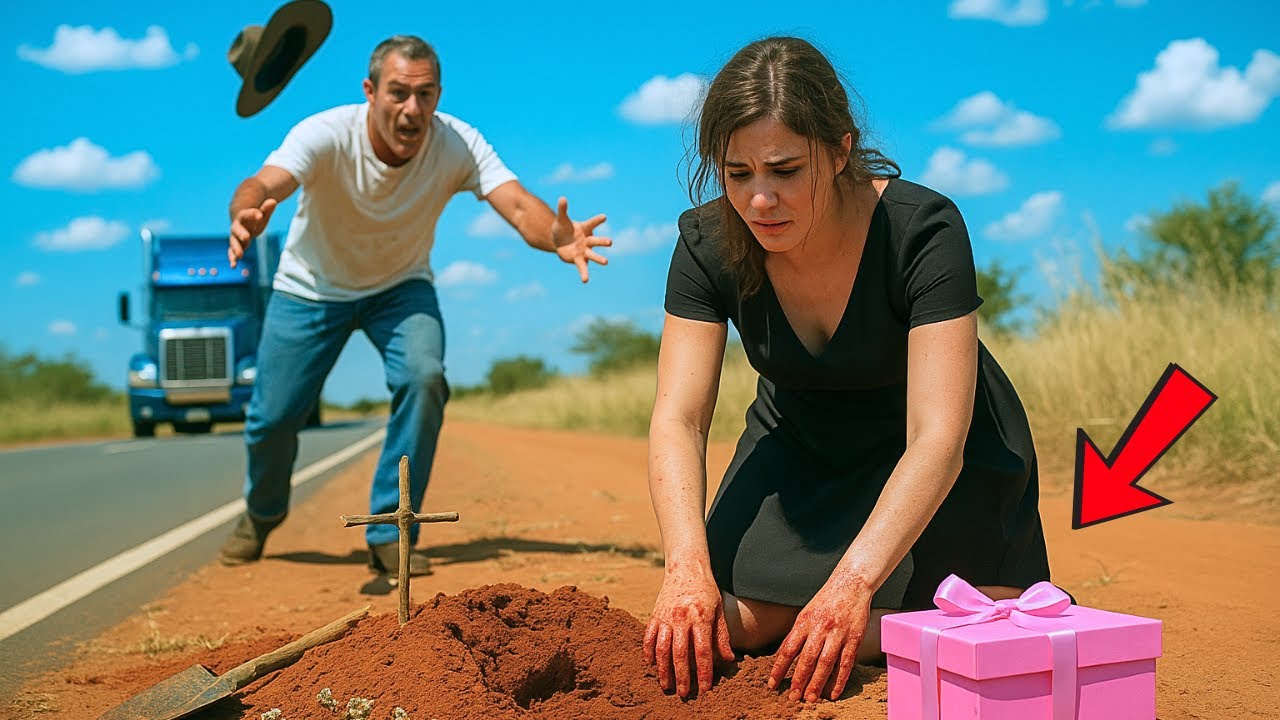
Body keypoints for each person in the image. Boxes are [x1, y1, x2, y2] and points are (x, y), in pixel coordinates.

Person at [643, 36, 1053, 703]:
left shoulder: (923, 228)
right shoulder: (705, 242)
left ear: (839, 151)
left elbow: (938, 437)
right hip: (800, 439)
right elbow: (679, 417)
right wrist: (685, 568)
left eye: (785, 170)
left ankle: (929, 608)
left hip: (935, 446)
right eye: (738, 173)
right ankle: (847, 613)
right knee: (725, 622)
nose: (760, 200)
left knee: (974, 616)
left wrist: (852, 584)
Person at [218, 35, 611, 578]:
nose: (412, 109)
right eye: (398, 93)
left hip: (400, 288)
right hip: (310, 287)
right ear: (370, 91)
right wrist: (247, 212)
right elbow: (263, 183)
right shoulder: (326, 133)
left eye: (425, 95)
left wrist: (557, 236)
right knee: (272, 419)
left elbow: (520, 205)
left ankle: (390, 530)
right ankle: (262, 515)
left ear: (438, 96)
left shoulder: (457, 142)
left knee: (424, 377)